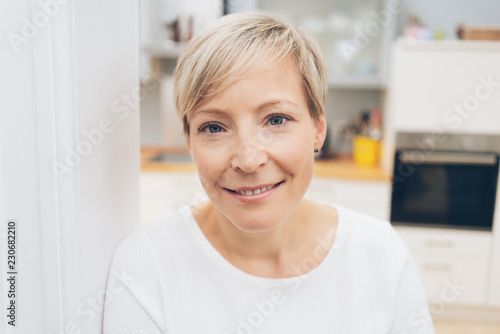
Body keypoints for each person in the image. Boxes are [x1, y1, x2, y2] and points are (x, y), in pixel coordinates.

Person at [103, 11, 435, 334]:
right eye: (214, 127)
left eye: (276, 120)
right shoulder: (147, 265)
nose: (248, 160)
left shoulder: (381, 255)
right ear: (189, 141)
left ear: (318, 130)